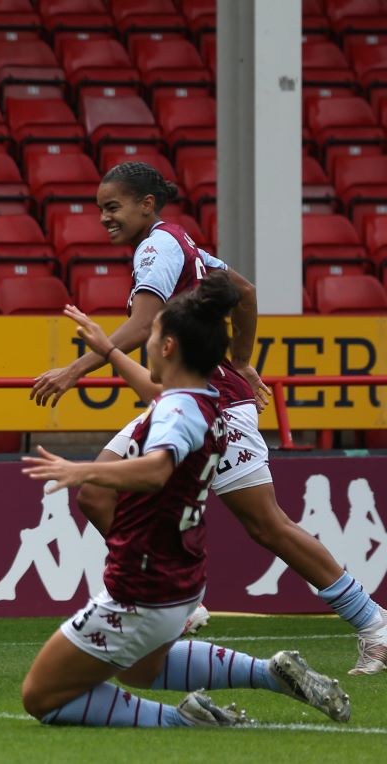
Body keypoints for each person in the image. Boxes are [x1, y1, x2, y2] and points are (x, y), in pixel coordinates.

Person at [31, 161, 387, 675]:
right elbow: (243, 293)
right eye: (100, 210)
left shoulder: (157, 246)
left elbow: (147, 319)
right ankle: (175, 600)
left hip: (214, 402)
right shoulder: (184, 244)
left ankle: (374, 624)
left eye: (113, 207)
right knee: (95, 492)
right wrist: (242, 358)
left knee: (268, 526)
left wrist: (77, 368)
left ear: (146, 204)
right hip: (181, 394)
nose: (104, 219)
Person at [20, 273, 350, 727]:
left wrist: (82, 471)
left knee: (41, 697)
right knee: (142, 668)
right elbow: (156, 393)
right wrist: (109, 350)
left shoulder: (178, 410)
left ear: (169, 346)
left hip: (140, 590)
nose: (147, 344)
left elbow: (157, 470)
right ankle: (270, 673)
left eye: (152, 335)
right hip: (178, 581)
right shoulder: (203, 397)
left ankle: (183, 721)